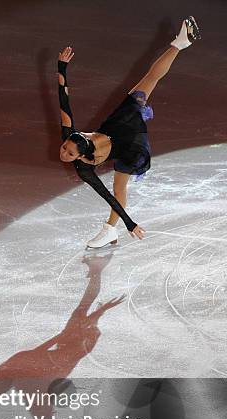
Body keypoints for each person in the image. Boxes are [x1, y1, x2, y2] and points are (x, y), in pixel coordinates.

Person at [58, 16, 201, 248]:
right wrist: (61, 67)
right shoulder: (74, 144)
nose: (64, 152)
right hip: (125, 132)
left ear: (83, 151)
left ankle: (180, 43)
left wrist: (129, 223)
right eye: (66, 149)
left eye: (68, 152)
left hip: (129, 135)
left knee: (118, 187)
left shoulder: (84, 166)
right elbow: (64, 101)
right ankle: (179, 44)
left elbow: (110, 197)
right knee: (148, 80)